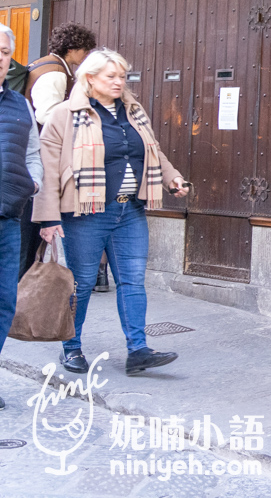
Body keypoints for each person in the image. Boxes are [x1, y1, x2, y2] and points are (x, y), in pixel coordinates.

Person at [34, 49, 190, 376]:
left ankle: (138, 351)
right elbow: (48, 169)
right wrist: (48, 218)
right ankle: (71, 348)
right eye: (111, 76)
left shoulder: (133, 110)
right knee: (82, 283)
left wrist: (172, 177)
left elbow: (153, 150)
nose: (119, 82)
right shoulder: (64, 115)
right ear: (90, 79)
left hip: (129, 210)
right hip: (85, 213)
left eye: (123, 76)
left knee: (132, 281)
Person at [22, 22, 97, 282]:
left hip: (35, 153)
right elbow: (47, 113)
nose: (85, 57)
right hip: (39, 155)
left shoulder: (47, 64)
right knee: (28, 237)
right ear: (73, 49)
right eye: (84, 51)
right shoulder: (55, 72)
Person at [0, 24, 43, 410]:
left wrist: (33, 184)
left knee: (3, 301)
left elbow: (33, 154)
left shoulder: (20, 104)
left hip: (8, 218)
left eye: (2, 52)